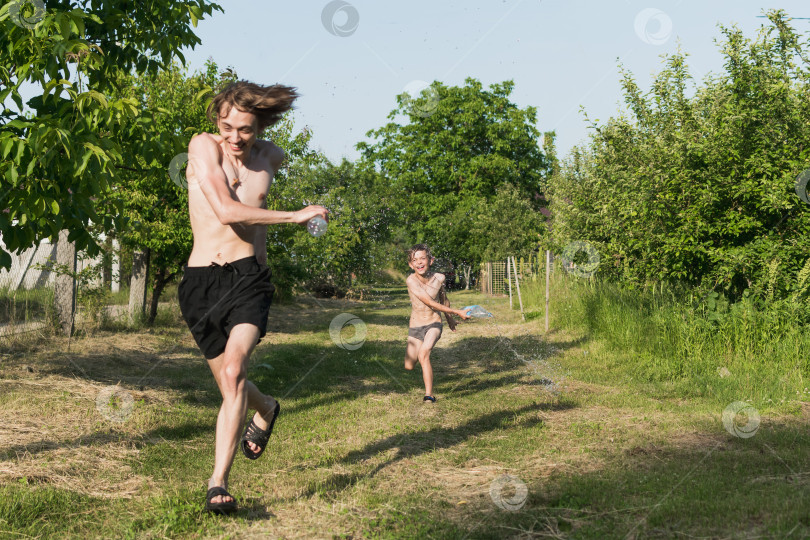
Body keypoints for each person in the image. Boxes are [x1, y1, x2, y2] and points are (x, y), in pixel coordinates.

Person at [178, 81, 328, 515]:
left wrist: (311, 214)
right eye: (227, 126)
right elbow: (225, 210)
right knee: (231, 383)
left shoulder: (272, 156)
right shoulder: (203, 146)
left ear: (260, 124)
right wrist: (294, 216)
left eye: (245, 129)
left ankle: (217, 482)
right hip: (200, 282)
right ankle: (266, 408)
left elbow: (254, 213)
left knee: (234, 368)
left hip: (249, 278)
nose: (234, 137)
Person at [404, 244, 471, 402]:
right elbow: (429, 301)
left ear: (430, 260)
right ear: (410, 264)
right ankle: (424, 380)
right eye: (415, 260)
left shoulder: (439, 278)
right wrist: (457, 311)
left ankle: (429, 395)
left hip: (434, 323)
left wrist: (449, 320)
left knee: (424, 353)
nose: (419, 262)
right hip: (415, 326)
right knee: (409, 365)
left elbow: (443, 300)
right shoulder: (411, 280)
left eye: (423, 258)